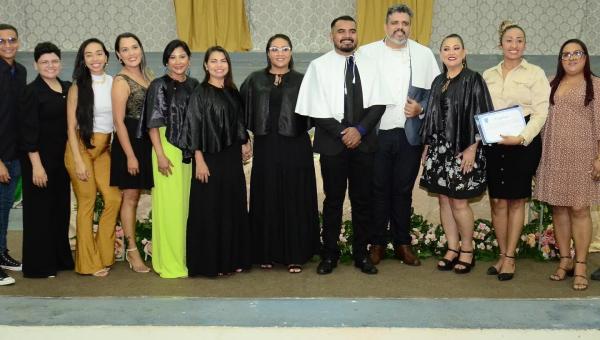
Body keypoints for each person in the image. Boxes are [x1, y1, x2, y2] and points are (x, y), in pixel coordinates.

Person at [295, 15, 391, 275]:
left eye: (351, 31)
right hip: (332, 145)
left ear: (356, 34)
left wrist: (359, 130)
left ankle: (361, 254)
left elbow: (380, 102)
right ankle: (329, 255)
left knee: (362, 201)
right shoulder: (319, 66)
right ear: (332, 36)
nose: (346, 35)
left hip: (364, 143)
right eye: (341, 31)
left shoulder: (372, 64)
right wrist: (342, 132)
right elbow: (314, 108)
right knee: (333, 201)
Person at [359, 4, 440, 266]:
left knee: (403, 191)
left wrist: (421, 108)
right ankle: (377, 243)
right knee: (378, 189)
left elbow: (437, 95)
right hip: (377, 134)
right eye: (395, 23)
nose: (400, 28)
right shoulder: (367, 53)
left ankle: (403, 243)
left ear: (410, 26)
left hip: (409, 135)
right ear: (386, 26)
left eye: (405, 23)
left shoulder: (423, 55)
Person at [241, 34, 319, 273]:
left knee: (294, 197)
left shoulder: (302, 80)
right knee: (266, 196)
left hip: (296, 146)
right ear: (267, 53)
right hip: (266, 146)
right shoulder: (254, 80)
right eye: (275, 49)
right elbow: (238, 111)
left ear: (291, 52)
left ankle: (296, 253)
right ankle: (265, 252)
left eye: (285, 48)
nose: (280, 53)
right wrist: (244, 139)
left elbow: (316, 111)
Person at [419, 34, 494, 274]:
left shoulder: (474, 79)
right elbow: (431, 116)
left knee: (460, 201)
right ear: (440, 54)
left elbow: (482, 115)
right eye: (446, 48)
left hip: (463, 149)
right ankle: (452, 248)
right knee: (443, 198)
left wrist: (472, 148)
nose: (451, 52)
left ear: (464, 52)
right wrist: (427, 147)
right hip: (439, 150)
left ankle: (467, 251)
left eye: (456, 48)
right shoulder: (438, 81)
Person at [482, 21, 550, 281]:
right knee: (497, 200)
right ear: (501, 44)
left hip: (523, 143)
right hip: (494, 143)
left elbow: (542, 111)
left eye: (519, 40)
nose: (514, 44)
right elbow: (481, 110)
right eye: (509, 40)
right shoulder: (488, 74)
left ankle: (510, 257)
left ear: (525, 45)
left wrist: (521, 138)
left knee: (516, 200)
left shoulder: (535, 73)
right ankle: (502, 254)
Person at [179, 46, 252, 277]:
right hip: (208, 158)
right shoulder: (199, 93)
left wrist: (245, 141)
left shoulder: (232, 91)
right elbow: (193, 127)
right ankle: (213, 262)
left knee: (232, 206)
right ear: (205, 65)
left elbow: (239, 121)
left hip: (231, 158)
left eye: (223, 61)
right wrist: (198, 160)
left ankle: (233, 259)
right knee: (210, 210)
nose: (219, 65)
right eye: (214, 61)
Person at [534, 39, 600, 291]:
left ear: (586, 56)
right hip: (553, 154)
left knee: (580, 209)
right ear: (560, 59)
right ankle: (565, 261)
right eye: (566, 54)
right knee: (559, 209)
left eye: (577, 53)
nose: (571, 58)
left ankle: (581, 264)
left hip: (582, 157)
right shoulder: (550, 82)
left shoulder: (595, 85)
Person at [139, 40, 198, 278]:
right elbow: (152, 124)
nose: (178, 61)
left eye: (182, 56)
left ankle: (184, 256)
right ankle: (169, 262)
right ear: (166, 61)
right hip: (167, 149)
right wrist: (161, 155)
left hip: (189, 151)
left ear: (189, 60)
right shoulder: (158, 85)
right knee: (170, 208)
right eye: (172, 57)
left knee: (185, 208)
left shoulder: (194, 85)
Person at [65, 38, 122, 277]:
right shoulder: (78, 86)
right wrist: (78, 160)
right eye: (89, 55)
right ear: (83, 60)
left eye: (99, 53)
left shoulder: (115, 82)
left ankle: (104, 253)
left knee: (113, 198)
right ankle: (88, 263)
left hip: (104, 148)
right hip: (79, 146)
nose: (95, 58)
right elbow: (70, 127)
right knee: (87, 203)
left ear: (107, 57)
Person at [19, 42, 74, 278]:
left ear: (60, 63)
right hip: (39, 161)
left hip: (62, 160)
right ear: (35, 65)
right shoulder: (31, 91)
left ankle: (60, 258)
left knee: (60, 211)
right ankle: (40, 265)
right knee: (39, 213)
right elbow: (28, 132)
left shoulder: (67, 87)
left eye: (54, 61)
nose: (50, 66)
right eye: (44, 62)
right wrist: (37, 166)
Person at [110, 33, 153, 273]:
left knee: (138, 196)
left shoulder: (147, 76)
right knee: (131, 197)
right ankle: (132, 250)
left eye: (134, 47)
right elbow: (119, 121)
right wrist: (130, 156)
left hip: (147, 143)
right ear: (118, 55)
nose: (131, 53)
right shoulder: (121, 81)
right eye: (124, 50)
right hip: (130, 145)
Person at [0, 23, 26, 285]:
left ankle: (2, 252)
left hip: (14, 153)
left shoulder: (20, 71)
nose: (7, 45)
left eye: (12, 40)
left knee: (4, 209)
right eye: (2, 41)